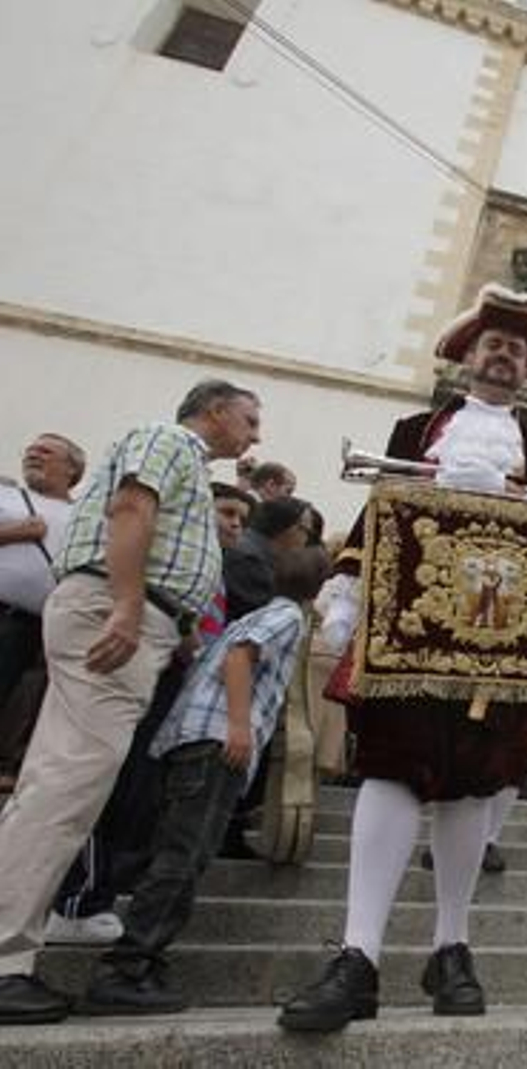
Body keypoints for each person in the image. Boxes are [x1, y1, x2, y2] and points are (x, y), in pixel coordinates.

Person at [278, 284, 527, 1033]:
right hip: (410, 628)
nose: (501, 354)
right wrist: (345, 592)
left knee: (473, 784)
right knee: (392, 767)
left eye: (514, 348)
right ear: (467, 355)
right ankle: (359, 954)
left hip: (501, 637)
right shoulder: (415, 428)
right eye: (491, 344)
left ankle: (451, 943)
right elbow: (380, 512)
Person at [0, 379, 260, 1025]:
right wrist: (126, 602)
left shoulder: (185, 461)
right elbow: (130, 509)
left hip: (134, 621)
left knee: (55, 780)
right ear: (216, 411)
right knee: (68, 786)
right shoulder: (170, 439)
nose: (255, 434)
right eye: (250, 418)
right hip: (115, 616)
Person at [78, 547, 326, 1014]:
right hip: (214, 742)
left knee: (179, 851)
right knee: (183, 857)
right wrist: (237, 725)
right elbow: (240, 656)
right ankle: (127, 966)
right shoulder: (288, 616)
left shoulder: (258, 610)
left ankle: (144, 961)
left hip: (187, 739)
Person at [0, 433, 85, 790]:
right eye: (31, 450)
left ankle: (11, 768)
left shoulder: (84, 515)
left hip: (54, 623)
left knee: (34, 698)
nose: (34, 454)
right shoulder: (6, 497)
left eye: (46, 452)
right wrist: (17, 531)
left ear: (72, 469)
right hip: (5, 615)